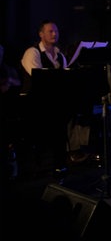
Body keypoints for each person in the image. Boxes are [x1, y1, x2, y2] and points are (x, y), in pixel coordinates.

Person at [20, 20, 88, 180]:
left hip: (51, 101)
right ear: (41, 34)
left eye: (55, 31)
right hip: (32, 100)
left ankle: (65, 157)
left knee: (76, 109)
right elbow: (39, 78)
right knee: (55, 116)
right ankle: (47, 163)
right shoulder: (33, 52)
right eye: (50, 31)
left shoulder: (59, 55)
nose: (54, 34)